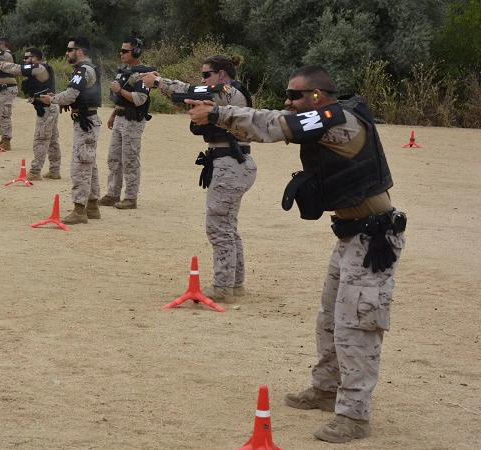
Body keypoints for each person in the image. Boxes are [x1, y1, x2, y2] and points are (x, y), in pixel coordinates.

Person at [185, 65, 406, 444]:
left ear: (317, 96)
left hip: (373, 241)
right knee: (330, 319)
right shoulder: (325, 118)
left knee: (357, 326)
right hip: (352, 234)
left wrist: (218, 113)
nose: (288, 102)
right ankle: (326, 388)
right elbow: (276, 120)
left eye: (294, 96)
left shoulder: (339, 119)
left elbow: (273, 125)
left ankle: (354, 416)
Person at [141, 55, 256, 302]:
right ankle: (235, 283)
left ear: (222, 75)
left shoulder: (227, 92)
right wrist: (163, 87)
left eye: (206, 75)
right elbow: (187, 97)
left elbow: (189, 90)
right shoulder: (224, 94)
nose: (203, 80)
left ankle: (223, 287)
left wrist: (159, 82)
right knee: (228, 226)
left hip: (230, 163)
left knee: (219, 228)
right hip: (231, 162)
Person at [40, 36, 102, 224]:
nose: (67, 53)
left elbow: (71, 94)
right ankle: (92, 207)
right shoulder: (88, 68)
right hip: (87, 120)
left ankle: (80, 210)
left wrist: (52, 99)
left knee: (80, 165)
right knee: (89, 163)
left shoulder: (83, 70)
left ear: (79, 52)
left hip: (86, 122)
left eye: (69, 50)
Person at [0, 47, 61, 180]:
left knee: (41, 140)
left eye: (27, 57)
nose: (25, 60)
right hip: (48, 107)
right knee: (52, 140)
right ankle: (54, 170)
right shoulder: (41, 67)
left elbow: (15, 69)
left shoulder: (38, 68)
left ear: (35, 58)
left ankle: (35, 172)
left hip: (46, 108)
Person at [100, 37, 154, 210]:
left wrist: (119, 90)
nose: (121, 53)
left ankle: (131, 197)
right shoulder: (125, 72)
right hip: (120, 117)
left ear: (136, 51)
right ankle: (112, 194)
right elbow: (121, 99)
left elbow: (139, 99)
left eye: (125, 51)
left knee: (130, 159)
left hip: (133, 120)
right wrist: (114, 114)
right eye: (121, 50)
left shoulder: (143, 74)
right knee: (114, 158)